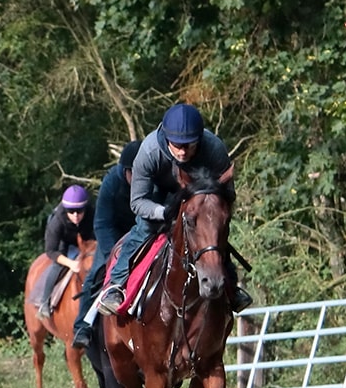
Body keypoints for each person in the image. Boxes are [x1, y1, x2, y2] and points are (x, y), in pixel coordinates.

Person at [98, 102, 249, 314]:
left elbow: (228, 195)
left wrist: (212, 212)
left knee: (213, 233)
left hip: (199, 196)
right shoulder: (149, 151)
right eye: (176, 144)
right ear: (166, 138)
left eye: (189, 145)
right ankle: (115, 285)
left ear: (199, 139)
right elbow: (138, 201)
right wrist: (164, 212)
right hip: (159, 195)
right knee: (144, 229)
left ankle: (231, 286)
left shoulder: (214, 148)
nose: (182, 151)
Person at [72, 139, 141, 347]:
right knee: (96, 273)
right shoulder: (111, 183)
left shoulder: (154, 177)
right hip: (113, 232)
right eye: (135, 175)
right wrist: (116, 253)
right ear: (125, 170)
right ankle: (83, 325)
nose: (140, 180)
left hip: (144, 230)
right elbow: (102, 223)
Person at [32, 184, 94, 319]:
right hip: (64, 244)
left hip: (87, 240)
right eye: (71, 211)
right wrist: (71, 263)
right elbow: (50, 251)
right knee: (57, 266)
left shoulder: (92, 214)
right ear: (65, 210)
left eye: (79, 211)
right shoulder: (56, 222)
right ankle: (44, 302)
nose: (76, 215)